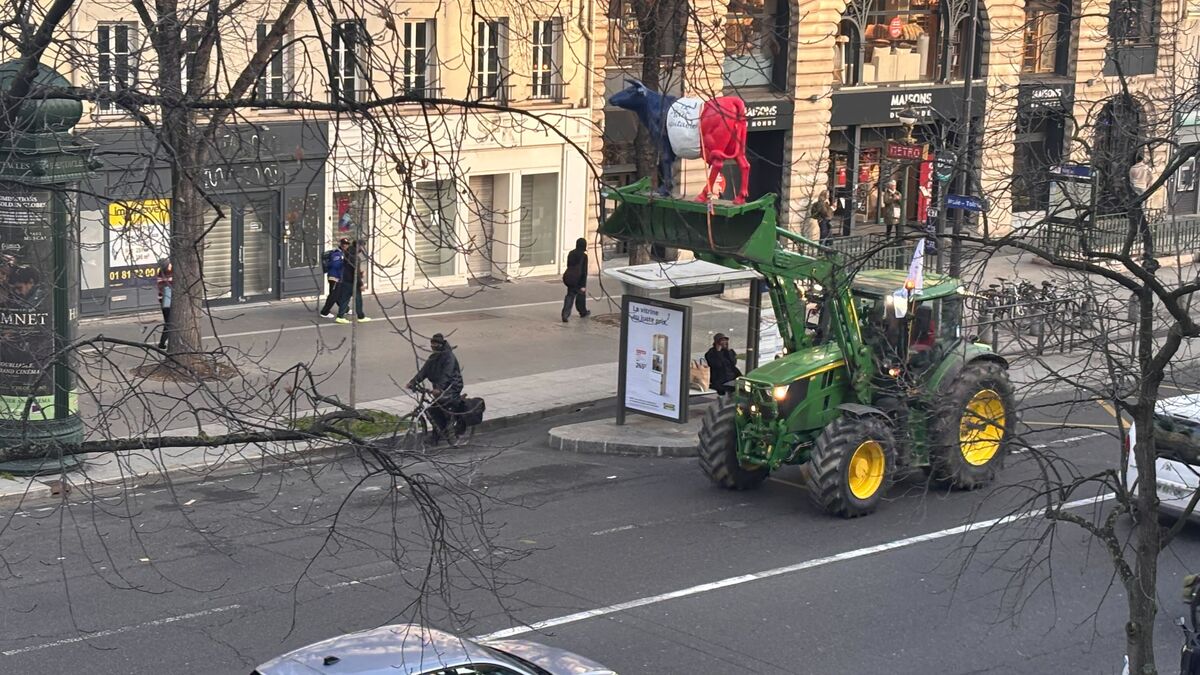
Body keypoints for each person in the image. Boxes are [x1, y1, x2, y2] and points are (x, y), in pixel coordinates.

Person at [407, 333, 465, 443]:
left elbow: (446, 374)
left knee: (445, 408)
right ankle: (436, 436)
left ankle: (451, 432)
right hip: (440, 388)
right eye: (432, 344)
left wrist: (439, 388)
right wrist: (413, 382)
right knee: (433, 410)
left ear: (441, 345)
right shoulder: (433, 357)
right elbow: (424, 371)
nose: (433, 347)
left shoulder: (449, 357)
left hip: (451, 387)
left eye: (435, 345)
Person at [334, 240, 372, 324]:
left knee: (345, 299)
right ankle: (361, 316)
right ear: (359, 246)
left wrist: (359, 273)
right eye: (362, 246)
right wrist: (360, 284)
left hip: (346, 280)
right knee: (358, 300)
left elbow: (350, 269)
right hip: (353, 282)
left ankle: (340, 316)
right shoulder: (355, 258)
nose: (363, 248)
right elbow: (355, 273)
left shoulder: (347, 254)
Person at [561, 237, 591, 323]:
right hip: (579, 279)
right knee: (581, 296)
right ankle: (583, 312)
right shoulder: (584, 256)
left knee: (570, 296)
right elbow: (584, 272)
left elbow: (568, 265)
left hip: (570, 278)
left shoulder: (571, 253)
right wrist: (583, 285)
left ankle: (565, 314)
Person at [319, 238, 349, 318]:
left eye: (346, 244)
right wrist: (344, 263)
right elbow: (335, 265)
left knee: (339, 295)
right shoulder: (337, 254)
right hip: (334, 277)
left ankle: (345, 309)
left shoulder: (343, 253)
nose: (345, 246)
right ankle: (324, 312)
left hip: (339, 277)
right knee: (334, 295)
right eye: (343, 244)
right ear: (340, 245)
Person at [155, 260, 173, 350]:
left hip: (163, 301)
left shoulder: (160, 273)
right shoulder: (168, 273)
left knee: (168, 322)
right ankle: (162, 343)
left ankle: (164, 342)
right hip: (167, 300)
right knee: (169, 323)